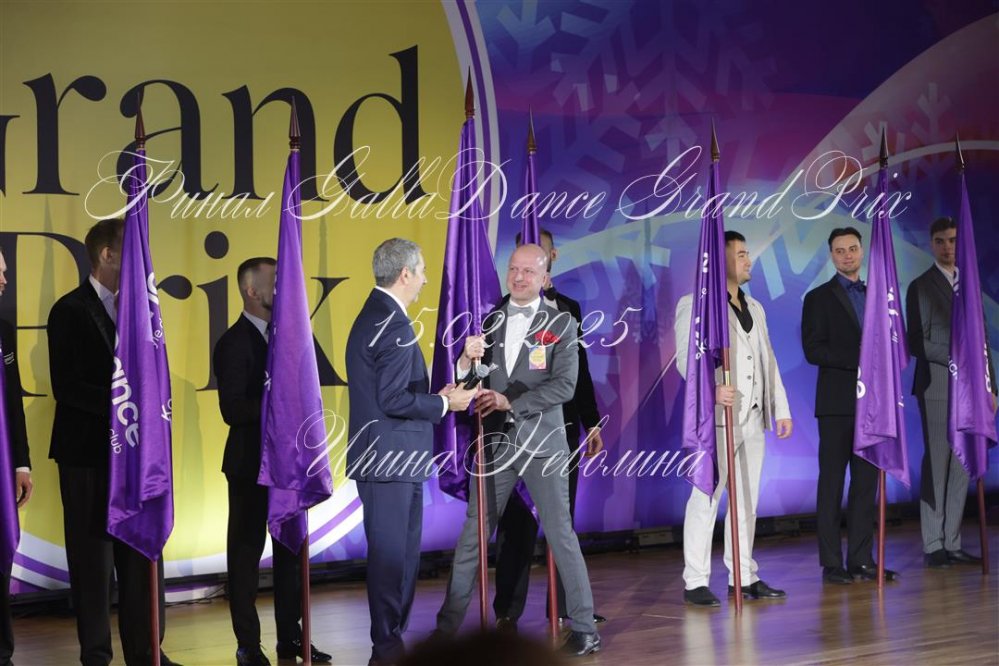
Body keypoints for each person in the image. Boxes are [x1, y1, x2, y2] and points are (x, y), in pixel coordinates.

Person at [435, 244, 600, 658]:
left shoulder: (562, 323)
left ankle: (584, 628)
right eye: (513, 269)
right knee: (473, 537)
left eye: (528, 271)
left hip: (544, 446)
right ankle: (446, 630)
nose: (519, 277)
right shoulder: (489, 319)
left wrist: (512, 403)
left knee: (560, 535)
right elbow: (471, 381)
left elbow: (565, 386)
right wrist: (464, 362)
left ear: (545, 278)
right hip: (495, 446)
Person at [46, 219, 178, 665]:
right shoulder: (69, 310)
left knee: (141, 552)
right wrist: (125, 403)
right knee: (93, 564)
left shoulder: (144, 312)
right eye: (133, 252)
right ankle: (97, 655)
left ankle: (147, 651)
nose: (143, 264)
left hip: (138, 458)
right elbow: (67, 387)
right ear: (107, 255)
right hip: (88, 458)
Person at [345, 238, 476, 666]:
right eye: (420, 272)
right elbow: (393, 399)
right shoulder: (393, 323)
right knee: (392, 564)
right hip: (390, 462)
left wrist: (439, 394)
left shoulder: (377, 314)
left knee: (399, 562)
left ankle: (390, 647)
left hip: (390, 460)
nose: (424, 280)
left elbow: (392, 391)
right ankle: (387, 650)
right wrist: (445, 404)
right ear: (405, 274)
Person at [213, 257, 332, 666]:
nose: (283, 289)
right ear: (251, 291)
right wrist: (277, 402)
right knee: (245, 556)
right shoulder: (233, 343)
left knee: (290, 552)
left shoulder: (290, 337)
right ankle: (248, 644)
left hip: (288, 464)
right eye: (274, 282)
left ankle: (291, 637)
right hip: (249, 465)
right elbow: (232, 409)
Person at [492, 229, 605, 630]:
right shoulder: (498, 312)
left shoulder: (569, 310)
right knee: (515, 525)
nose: (523, 272)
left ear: (550, 258)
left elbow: (580, 375)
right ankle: (507, 610)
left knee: (561, 523)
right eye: (517, 263)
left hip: (559, 430)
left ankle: (567, 608)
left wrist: (592, 421)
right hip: (511, 434)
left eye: (535, 257)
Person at [674, 231, 792, 606]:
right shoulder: (696, 304)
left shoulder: (754, 306)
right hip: (717, 421)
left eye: (746, 253)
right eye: (740, 254)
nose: (748, 260)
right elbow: (686, 360)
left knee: (747, 502)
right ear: (720, 259)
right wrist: (710, 389)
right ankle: (695, 580)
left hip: (752, 417)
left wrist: (781, 408)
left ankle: (743, 575)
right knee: (706, 497)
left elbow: (767, 358)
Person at [801, 227, 897, 584]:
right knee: (831, 484)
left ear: (861, 251)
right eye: (839, 251)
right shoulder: (817, 298)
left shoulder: (878, 296)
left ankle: (861, 559)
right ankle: (831, 563)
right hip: (837, 405)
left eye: (853, 249)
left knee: (865, 485)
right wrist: (859, 359)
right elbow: (813, 350)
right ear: (831, 255)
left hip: (873, 407)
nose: (847, 255)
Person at [905, 216, 996, 568]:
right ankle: (933, 544)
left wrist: (991, 387)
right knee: (937, 461)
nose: (947, 247)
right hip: (938, 385)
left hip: (971, 391)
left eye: (953, 240)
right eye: (941, 241)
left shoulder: (970, 286)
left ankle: (953, 540)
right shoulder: (920, 286)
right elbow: (917, 342)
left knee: (962, 463)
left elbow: (982, 343)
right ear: (931, 244)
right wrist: (958, 355)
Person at [0, 247, 33, 666]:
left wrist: (21, 464)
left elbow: (13, 403)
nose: (5, 279)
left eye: (5, 271)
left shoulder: (4, 331)